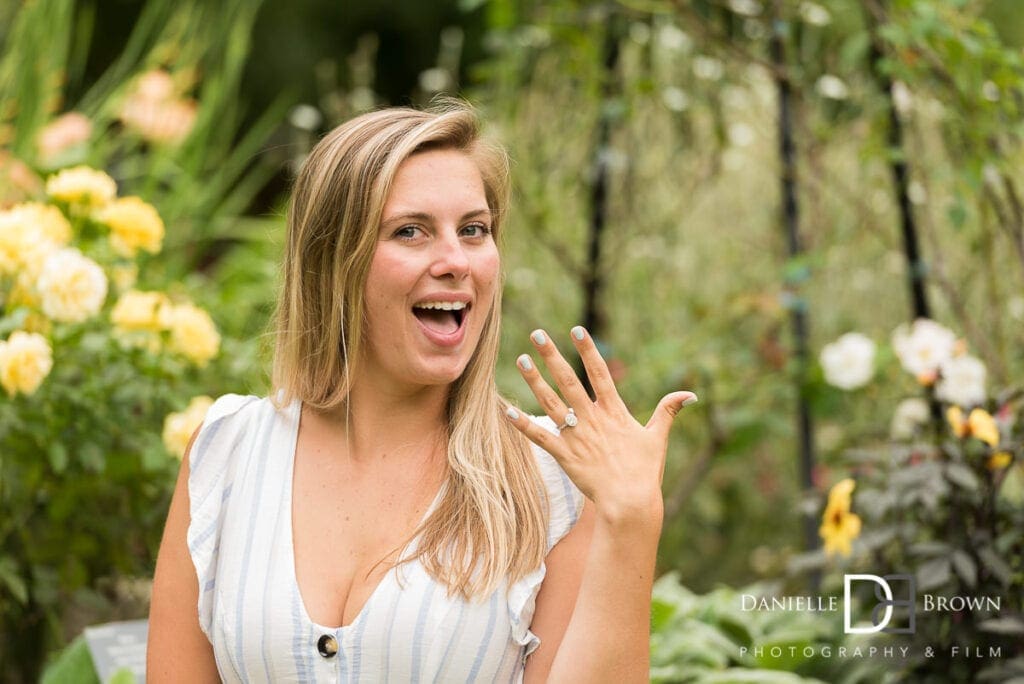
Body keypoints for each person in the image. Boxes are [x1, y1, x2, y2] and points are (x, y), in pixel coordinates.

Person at [147, 99, 697, 683]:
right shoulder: (225, 452)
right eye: (410, 231)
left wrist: (632, 520)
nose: (456, 261)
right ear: (332, 261)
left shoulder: (551, 486)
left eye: (474, 230)